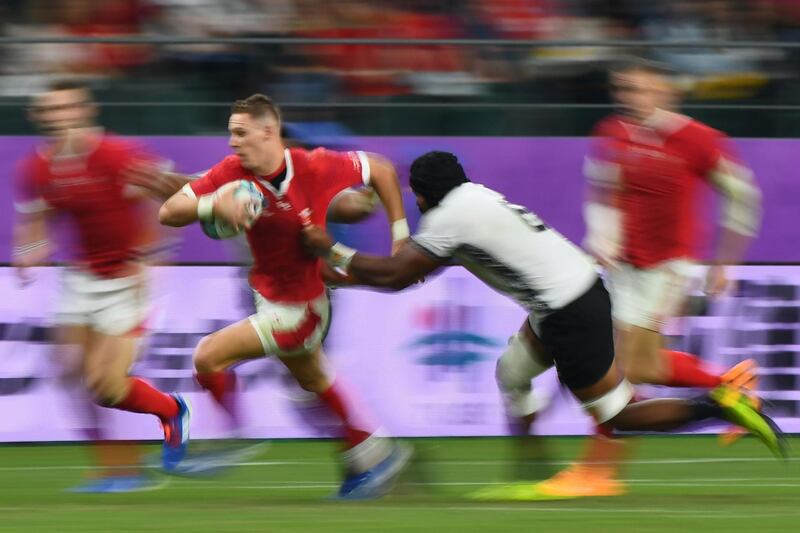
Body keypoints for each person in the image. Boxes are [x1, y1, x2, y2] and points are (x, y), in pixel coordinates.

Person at [301, 150, 786, 499]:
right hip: (571, 294)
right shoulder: (475, 197)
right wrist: (348, 269)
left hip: (566, 310)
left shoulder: (448, 217)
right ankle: (533, 464)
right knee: (511, 373)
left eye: (417, 199)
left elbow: (393, 275)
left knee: (616, 415)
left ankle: (717, 404)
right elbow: (405, 272)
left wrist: (330, 252)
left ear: (424, 198)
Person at [157, 93, 412, 499]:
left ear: (268, 131)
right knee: (314, 381)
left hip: (301, 308)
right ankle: (374, 451)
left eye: (240, 133)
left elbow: (379, 169)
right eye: (230, 134)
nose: (232, 142)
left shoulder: (315, 166)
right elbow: (169, 212)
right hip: (270, 296)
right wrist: (213, 204)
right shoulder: (231, 173)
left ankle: (237, 437)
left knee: (207, 357)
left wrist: (401, 236)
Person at [538, 58, 765, 496]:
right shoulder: (612, 131)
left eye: (639, 90)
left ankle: (598, 472)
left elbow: (742, 197)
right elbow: (604, 190)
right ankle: (728, 384)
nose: (628, 98)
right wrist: (602, 238)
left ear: (665, 93)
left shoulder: (697, 139)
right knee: (638, 367)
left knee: (621, 370)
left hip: (667, 267)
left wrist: (725, 263)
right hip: (625, 265)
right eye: (623, 89)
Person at [12, 80, 191, 492]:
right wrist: (32, 251)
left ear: (84, 111)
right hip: (80, 277)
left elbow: (165, 197)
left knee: (107, 386)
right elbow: (34, 223)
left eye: (66, 108)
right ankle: (117, 469)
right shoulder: (36, 169)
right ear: (39, 117)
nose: (58, 116)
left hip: (128, 278)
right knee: (67, 371)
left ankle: (171, 410)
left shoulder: (117, 155)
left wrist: (147, 258)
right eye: (49, 110)